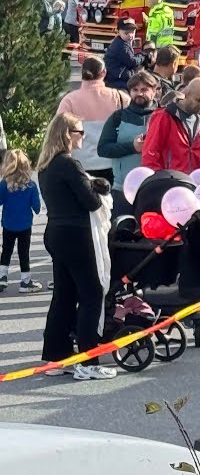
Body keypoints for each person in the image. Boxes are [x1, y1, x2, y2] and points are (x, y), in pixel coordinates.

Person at [37, 112, 116, 380]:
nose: (82, 136)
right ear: (67, 134)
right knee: (92, 293)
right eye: (79, 132)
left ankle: (55, 357)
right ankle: (88, 360)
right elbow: (91, 202)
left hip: (56, 232)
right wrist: (99, 187)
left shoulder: (46, 166)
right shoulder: (70, 165)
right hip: (77, 233)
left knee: (64, 295)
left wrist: (90, 182)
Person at [56, 56, 130, 184]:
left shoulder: (69, 101)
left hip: (81, 165)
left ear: (82, 73)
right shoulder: (120, 97)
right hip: (112, 163)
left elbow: (57, 132)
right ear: (104, 73)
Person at [97, 70, 159, 215]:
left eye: (144, 90)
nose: (139, 94)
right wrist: (133, 147)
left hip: (153, 188)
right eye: (135, 90)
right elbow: (103, 149)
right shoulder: (118, 117)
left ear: (154, 91)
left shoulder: (162, 117)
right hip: (123, 189)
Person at [142, 78, 200, 174]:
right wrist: (158, 181)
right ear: (187, 93)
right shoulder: (164, 116)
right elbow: (150, 153)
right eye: (198, 100)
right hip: (169, 182)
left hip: (193, 183)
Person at [0, 150, 43, 293]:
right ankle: (25, 281)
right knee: (23, 252)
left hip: (8, 223)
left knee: (6, 250)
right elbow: (36, 207)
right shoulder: (31, 186)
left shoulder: (4, 184)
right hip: (25, 224)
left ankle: (2, 277)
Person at [104, 18, 141, 91]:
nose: (130, 35)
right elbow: (132, 62)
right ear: (118, 32)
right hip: (115, 80)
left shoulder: (125, 43)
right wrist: (143, 56)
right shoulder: (120, 45)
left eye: (132, 32)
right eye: (126, 33)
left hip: (119, 76)